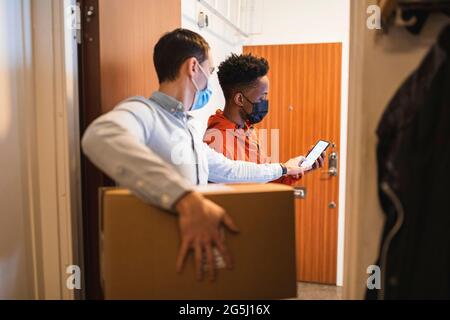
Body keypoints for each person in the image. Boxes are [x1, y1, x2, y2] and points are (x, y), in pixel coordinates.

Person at [82, 29, 310, 282]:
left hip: (188, 257)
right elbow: (100, 136)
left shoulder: (187, 128)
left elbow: (229, 169)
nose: (210, 81)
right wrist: (185, 197)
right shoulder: (144, 112)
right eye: (209, 71)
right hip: (153, 261)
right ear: (193, 68)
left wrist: (282, 169)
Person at [204, 53, 325, 184]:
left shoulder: (248, 131)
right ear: (239, 99)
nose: (265, 102)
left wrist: (298, 169)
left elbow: (265, 180)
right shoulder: (216, 142)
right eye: (262, 97)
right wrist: (285, 168)